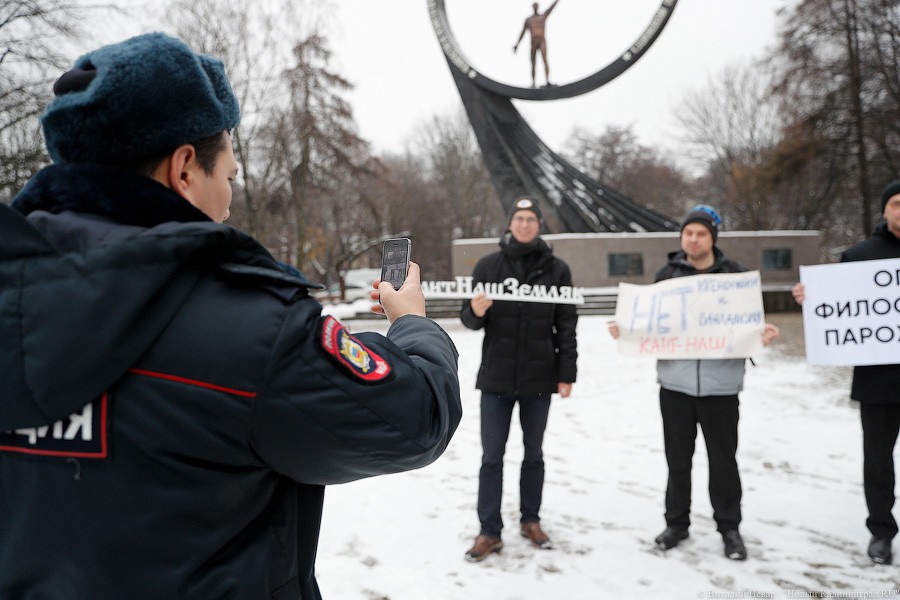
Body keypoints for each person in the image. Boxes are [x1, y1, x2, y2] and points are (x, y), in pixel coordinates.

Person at [0, 33, 462, 599]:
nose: (229, 201)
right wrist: (413, 323)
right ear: (185, 169)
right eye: (230, 179)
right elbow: (412, 421)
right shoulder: (252, 328)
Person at [608, 205, 780, 561]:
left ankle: (729, 528)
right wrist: (625, 330)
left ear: (712, 238)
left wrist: (760, 335)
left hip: (722, 387)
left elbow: (748, 325)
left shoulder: (736, 277)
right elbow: (650, 322)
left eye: (701, 233)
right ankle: (677, 524)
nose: (694, 239)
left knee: (723, 461)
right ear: (681, 237)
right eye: (688, 233)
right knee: (678, 460)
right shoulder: (667, 275)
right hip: (675, 386)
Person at [460, 197, 578, 562]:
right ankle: (489, 531)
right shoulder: (488, 266)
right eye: (519, 218)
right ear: (510, 224)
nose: (525, 224)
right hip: (495, 379)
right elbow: (469, 319)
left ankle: (531, 520)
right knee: (491, 456)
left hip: (538, 380)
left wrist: (566, 373)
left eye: (531, 219)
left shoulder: (557, 270)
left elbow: (567, 325)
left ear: (539, 225)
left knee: (534, 455)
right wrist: (473, 312)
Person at [792, 179, 900, 565]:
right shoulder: (859, 255)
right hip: (878, 383)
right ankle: (881, 532)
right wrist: (811, 297)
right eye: (897, 203)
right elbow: (838, 308)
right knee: (878, 461)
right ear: (885, 210)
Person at [513, 0, 560, 88]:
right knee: (533, 63)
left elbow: (551, 8)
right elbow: (522, 33)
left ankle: (547, 81)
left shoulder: (542, 16)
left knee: (545, 60)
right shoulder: (529, 20)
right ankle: (533, 83)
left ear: (538, 7)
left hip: (542, 41)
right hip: (533, 42)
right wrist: (517, 44)